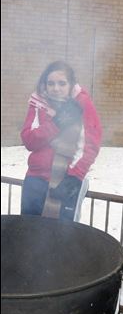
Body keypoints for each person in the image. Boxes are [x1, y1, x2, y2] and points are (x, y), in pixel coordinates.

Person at [20, 61, 102, 221]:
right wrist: (56, 123)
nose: (56, 88)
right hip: (36, 178)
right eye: (51, 83)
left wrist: (74, 178)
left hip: (66, 180)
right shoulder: (38, 104)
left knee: (61, 236)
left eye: (62, 83)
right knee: (29, 230)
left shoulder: (82, 104)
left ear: (71, 84)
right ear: (44, 84)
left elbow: (90, 145)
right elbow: (29, 140)